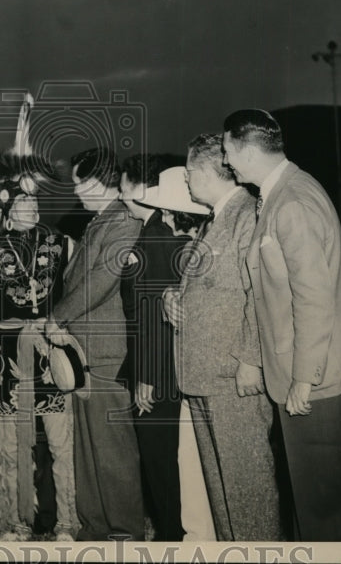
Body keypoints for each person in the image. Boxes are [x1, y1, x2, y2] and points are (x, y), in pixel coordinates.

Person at [222, 110, 341, 542]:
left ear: (248, 150)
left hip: (314, 375)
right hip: (303, 372)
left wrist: (304, 378)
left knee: (326, 503)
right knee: (313, 498)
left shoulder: (292, 202)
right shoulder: (280, 194)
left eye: (228, 150)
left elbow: (314, 298)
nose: (226, 160)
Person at [160, 134, 279, 541]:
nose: (187, 181)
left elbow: (260, 293)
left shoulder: (248, 215)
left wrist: (251, 358)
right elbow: (205, 287)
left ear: (211, 172)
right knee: (221, 492)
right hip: (205, 374)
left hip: (232, 376)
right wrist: (174, 297)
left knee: (248, 492)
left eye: (190, 172)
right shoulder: (214, 220)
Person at [0, 93, 79, 541]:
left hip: (50, 352)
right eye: (22, 201)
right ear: (5, 209)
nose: (32, 205)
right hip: (7, 358)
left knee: (61, 443)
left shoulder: (61, 244)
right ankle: (15, 523)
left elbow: (77, 298)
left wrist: (70, 342)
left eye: (35, 198)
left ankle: (68, 523)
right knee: (11, 446)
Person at [47, 146, 144, 541]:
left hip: (105, 353)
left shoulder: (122, 221)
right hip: (83, 353)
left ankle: (123, 531)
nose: (77, 193)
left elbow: (101, 282)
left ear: (99, 180)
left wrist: (57, 317)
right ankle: (93, 528)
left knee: (113, 450)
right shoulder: (97, 221)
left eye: (80, 184)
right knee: (86, 449)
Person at [136, 166, 215, 542]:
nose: (161, 216)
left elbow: (152, 319)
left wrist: (146, 374)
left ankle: (176, 536)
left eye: (165, 210)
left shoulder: (169, 248)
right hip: (189, 369)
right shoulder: (196, 247)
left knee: (170, 461)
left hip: (171, 371)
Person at [116, 154, 187, 541]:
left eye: (125, 188)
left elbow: (157, 313)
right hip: (155, 364)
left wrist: (148, 377)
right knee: (160, 461)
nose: (120, 195)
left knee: (161, 460)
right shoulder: (151, 231)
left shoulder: (156, 235)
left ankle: (172, 536)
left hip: (158, 370)